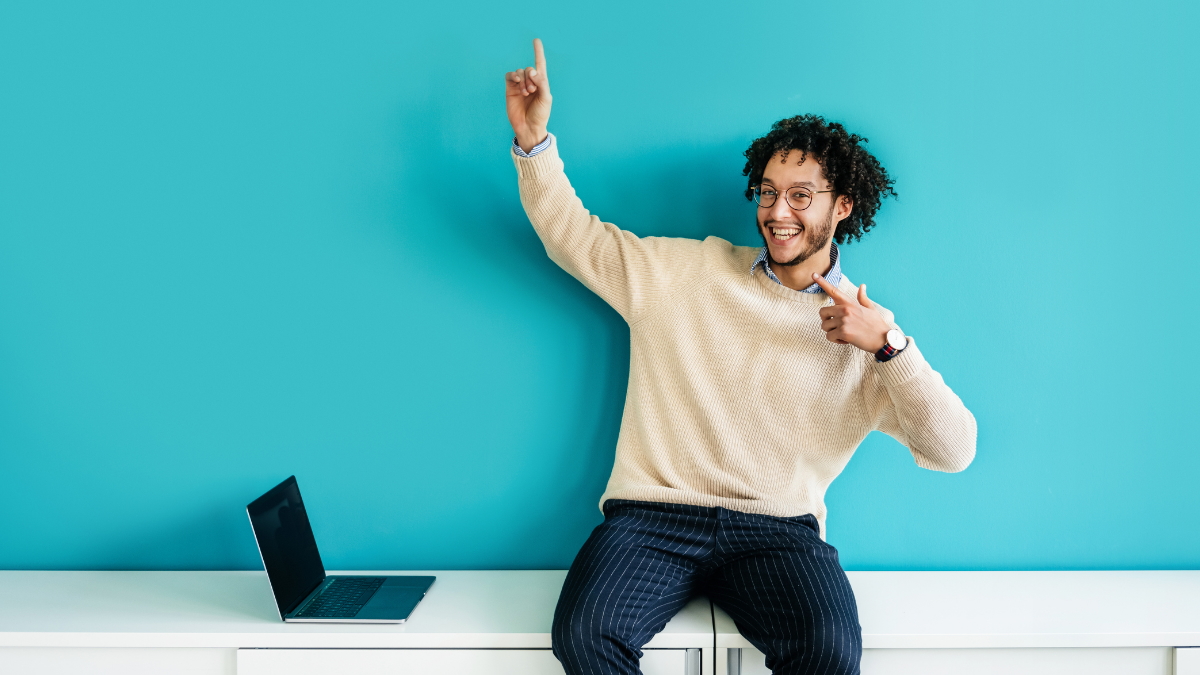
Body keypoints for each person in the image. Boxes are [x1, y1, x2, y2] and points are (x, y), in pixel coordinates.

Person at [504, 39, 976, 675]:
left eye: (801, 196)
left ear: (842, 206)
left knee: (830, 652)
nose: (777, 213)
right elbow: (573, 234)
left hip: (778, 533)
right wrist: (535, 144)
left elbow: (953, 451)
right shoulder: (685, 271)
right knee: (586, 634)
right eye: (767, 191)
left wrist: (891, 348)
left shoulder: (868, 336)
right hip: (653, 520)